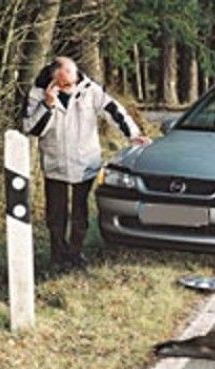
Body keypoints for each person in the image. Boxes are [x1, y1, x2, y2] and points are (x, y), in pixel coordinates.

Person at [22, 56, 150, 270]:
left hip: (85, 161)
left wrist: (133, 134)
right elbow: (31, 129)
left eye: (72, 81)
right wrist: (48, 105)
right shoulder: (37, 94)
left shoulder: (91, 90)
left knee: (80, 212)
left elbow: (114, 111)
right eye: (63, 84)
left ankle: (75, 253)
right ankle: (58, 255)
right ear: (54, 81)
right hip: (55, 162)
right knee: (56, 214)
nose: (69, 87)